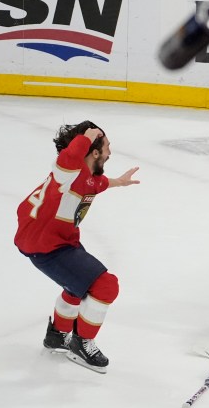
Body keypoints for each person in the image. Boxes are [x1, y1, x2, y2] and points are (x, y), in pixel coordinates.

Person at [14, 122, 140, 373]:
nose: (110, 152)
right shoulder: (70, 171)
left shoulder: (88, 177)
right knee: (105, 285)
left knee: (79, 284)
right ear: (94, 152)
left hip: (56, 239)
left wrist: (119, 182)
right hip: (47, 243)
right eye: (106, 147)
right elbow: (66, 161)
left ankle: (58, 335)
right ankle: (81, 344)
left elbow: (98, 183)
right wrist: (86, 137)